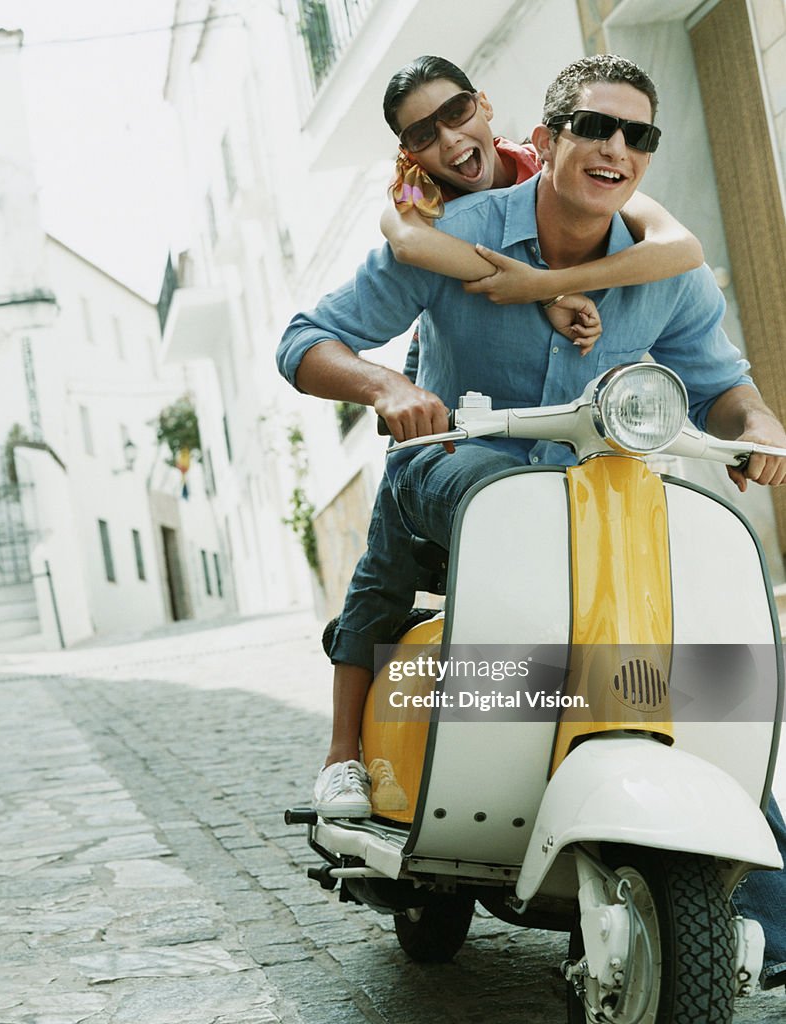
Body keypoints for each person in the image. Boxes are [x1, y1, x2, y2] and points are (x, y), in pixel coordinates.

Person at [278, 52, 786, 991]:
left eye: (637, 136)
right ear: (547, 139)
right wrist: (391, 387)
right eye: (595, 128)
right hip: (465, 470)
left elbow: (721, 385)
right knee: (441, 510)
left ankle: (747, 870)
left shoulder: (660, 263)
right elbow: (305, 338)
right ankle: (348, 757)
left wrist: (759, 426)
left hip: (599, 493)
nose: (615, 148)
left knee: (701, 628)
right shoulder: (451, 232)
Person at [310, 55, 703, 823]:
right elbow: (414, 246)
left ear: (484, 104)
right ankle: (339, 755)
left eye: (456, 113)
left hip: (568, 423)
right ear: (407, 153)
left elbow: (680, 252)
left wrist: (545, 287)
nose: (449, 139)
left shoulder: (560, 169)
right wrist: (533, 294)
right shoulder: (421, 200)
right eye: (421, 133)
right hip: (451, 374)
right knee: (404, 514)